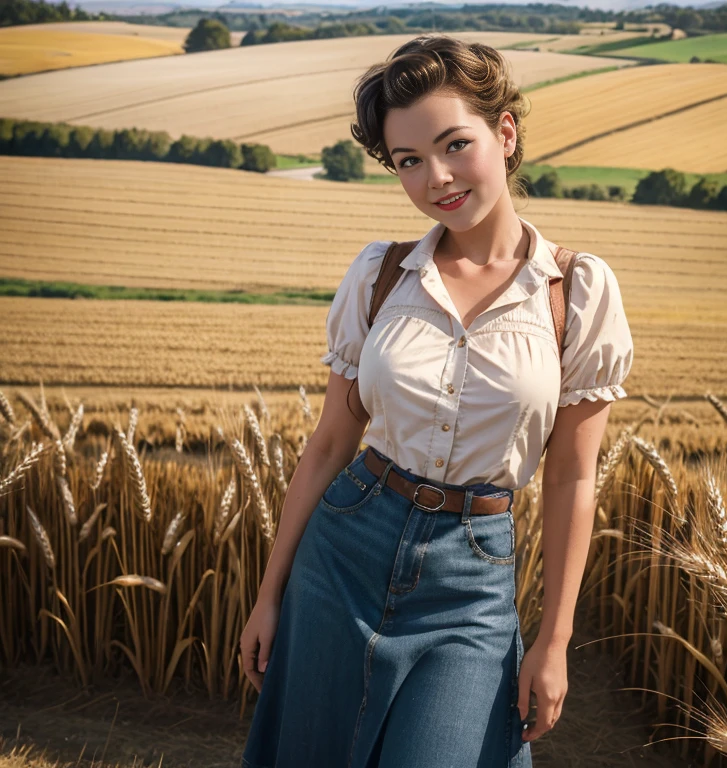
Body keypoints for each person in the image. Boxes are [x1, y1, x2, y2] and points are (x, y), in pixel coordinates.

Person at [239, 34, 633, 768]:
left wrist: (554, 641)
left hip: (472, 577)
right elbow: (329, 443)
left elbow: (573, 478)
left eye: (456, 144)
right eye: (409, 161)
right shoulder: (380, 275)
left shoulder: (576, 293)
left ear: (504, 133)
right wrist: (270, 595)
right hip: (344, 548)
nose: (437, 178)